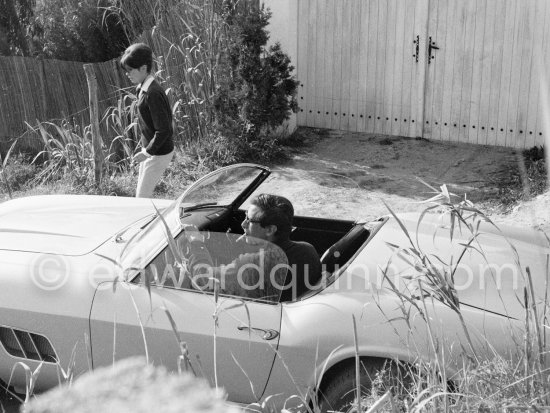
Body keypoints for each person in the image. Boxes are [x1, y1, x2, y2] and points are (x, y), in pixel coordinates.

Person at [183, 194, 322, 302]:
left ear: (270, 230)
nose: (243, 224)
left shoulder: (253, 265)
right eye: (245, 217)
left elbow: (202, 279)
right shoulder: (307, 250)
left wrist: (196, 243)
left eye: (249, 221)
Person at [120, 43, 174, 198]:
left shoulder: (152, 94)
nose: (127, 74)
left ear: (143, 68)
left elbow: (164, 130)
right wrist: (145, 150)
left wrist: (148, 151)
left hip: (159, 152)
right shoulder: (142, 88)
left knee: (142, 197)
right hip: (151, 151)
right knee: (142, 196)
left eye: (130, 70)